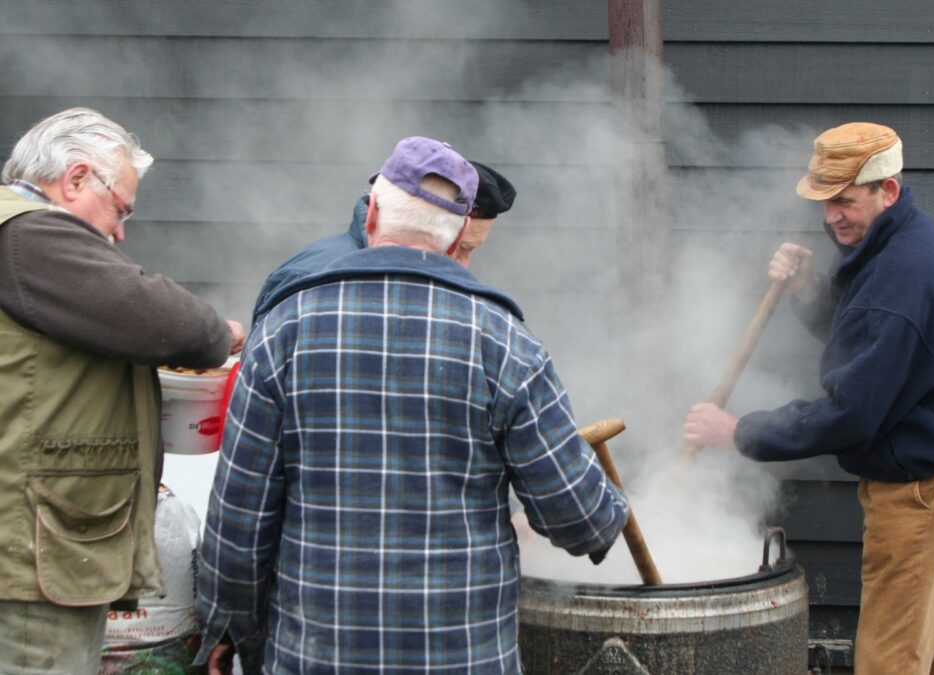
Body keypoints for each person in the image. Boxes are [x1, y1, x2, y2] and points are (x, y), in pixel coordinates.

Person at [196, 137, 627, 674]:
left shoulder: (286, 329)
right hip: (462, 659)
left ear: (372, 212)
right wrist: (613, 506)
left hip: (316, 657)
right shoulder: (506, 342)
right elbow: (580, 519)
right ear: (454, 244)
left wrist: (229, 624)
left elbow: (240, 513)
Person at [683, 122, 934, 675]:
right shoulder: (892, 243)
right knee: (927, 640)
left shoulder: (905, 278)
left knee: (890, 656)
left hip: (925, 486)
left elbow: (852, 414)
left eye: (845, 201)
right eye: (825, 202)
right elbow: (869, 347)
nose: (833, 216)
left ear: (888, 191)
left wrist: (738, 431)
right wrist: (811, 290)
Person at [0, 107, 245, 675]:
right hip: (31, 561)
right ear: (77, 178)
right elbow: (159, 318)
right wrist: (223, 334)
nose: (120, 231)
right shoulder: (29, 233)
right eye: (120, 208)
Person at [250, 159, 516, 327]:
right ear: (426, 223)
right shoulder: (307, 279)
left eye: (472, 250)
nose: (465, 267)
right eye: (460, 248)